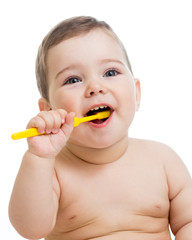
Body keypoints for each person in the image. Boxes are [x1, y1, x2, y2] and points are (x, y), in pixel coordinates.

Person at [9, 16, 192, 240]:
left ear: (136, 94)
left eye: (110, 73)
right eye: (73, 80)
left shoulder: (164, 161)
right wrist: (38, 159)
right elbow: (29, 229)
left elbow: (188, 222)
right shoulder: (52, 172)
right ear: (48, 110)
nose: (95, 87)